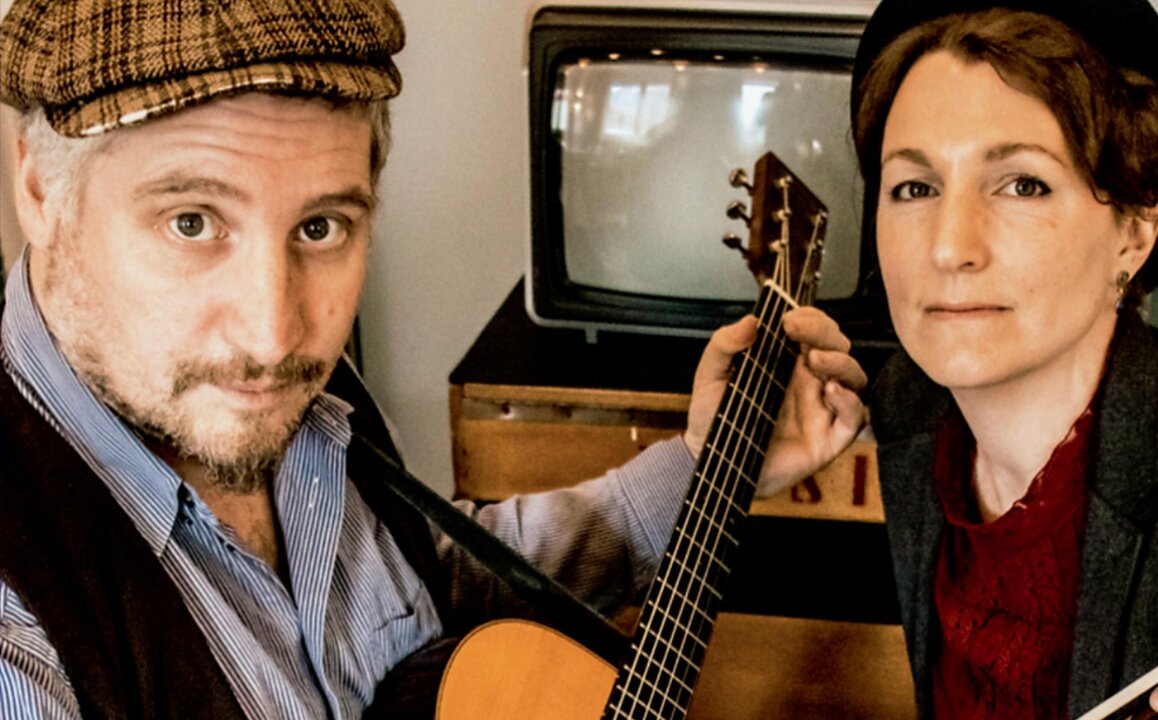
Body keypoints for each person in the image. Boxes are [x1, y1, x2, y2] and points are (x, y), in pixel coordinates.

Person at [0, 1, 868, 718]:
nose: (274, 333)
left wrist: (707, 466)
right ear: (39, 188)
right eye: (192, 222)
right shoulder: (21, 642)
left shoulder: (277, 395)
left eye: (321, 228)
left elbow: (424, 595)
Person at [849, 0, 1158, 718]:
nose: (949, 247)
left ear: (1135, 229)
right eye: (915, 188)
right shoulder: (905, 405)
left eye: (1023, 184)